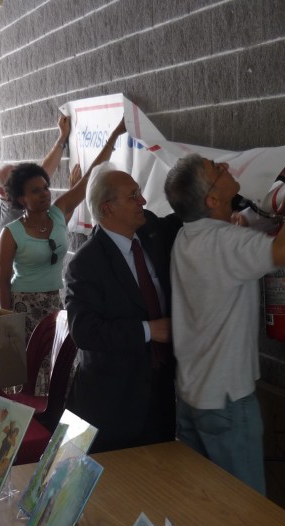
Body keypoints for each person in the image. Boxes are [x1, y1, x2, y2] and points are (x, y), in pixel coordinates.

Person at [164, 154, 285, 495]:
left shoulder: (187, 238)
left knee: (204, 505)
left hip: (192, 396)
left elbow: (226, 251)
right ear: (212, 200)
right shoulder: (225, 243)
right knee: (245, 511)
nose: (225, 167)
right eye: (216, 170)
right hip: (227, 402)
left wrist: (243, 223)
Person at [64, 163, 182, 453]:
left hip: (160, 391)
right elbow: (84, 331)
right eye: (133, 196)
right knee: (117, 478)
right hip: (112, 401)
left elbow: (183, 220)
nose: (143, 201)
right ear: (107, 208)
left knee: (161, 472)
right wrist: (149, 330)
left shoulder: (151, 231)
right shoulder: (85, 263)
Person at [0, 118, 128, 351]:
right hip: (23, 305)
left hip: (54, 302)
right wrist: (8, 326)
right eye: (35, 191)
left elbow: (90, 178)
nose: (44, 194)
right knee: (32, 364)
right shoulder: (11, 233)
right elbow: (3, 283)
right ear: (21, 199)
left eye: (45, 188)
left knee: (57, 362)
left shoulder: (58, 214)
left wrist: (115, 134)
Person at [0, 114, 71, 238]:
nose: (23, 179)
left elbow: (42, 173)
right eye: (15, 179)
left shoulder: (11, 200)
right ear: (1, 191)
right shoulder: (16, 212)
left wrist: (62, 138)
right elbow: (57, 225)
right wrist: (74, 189)